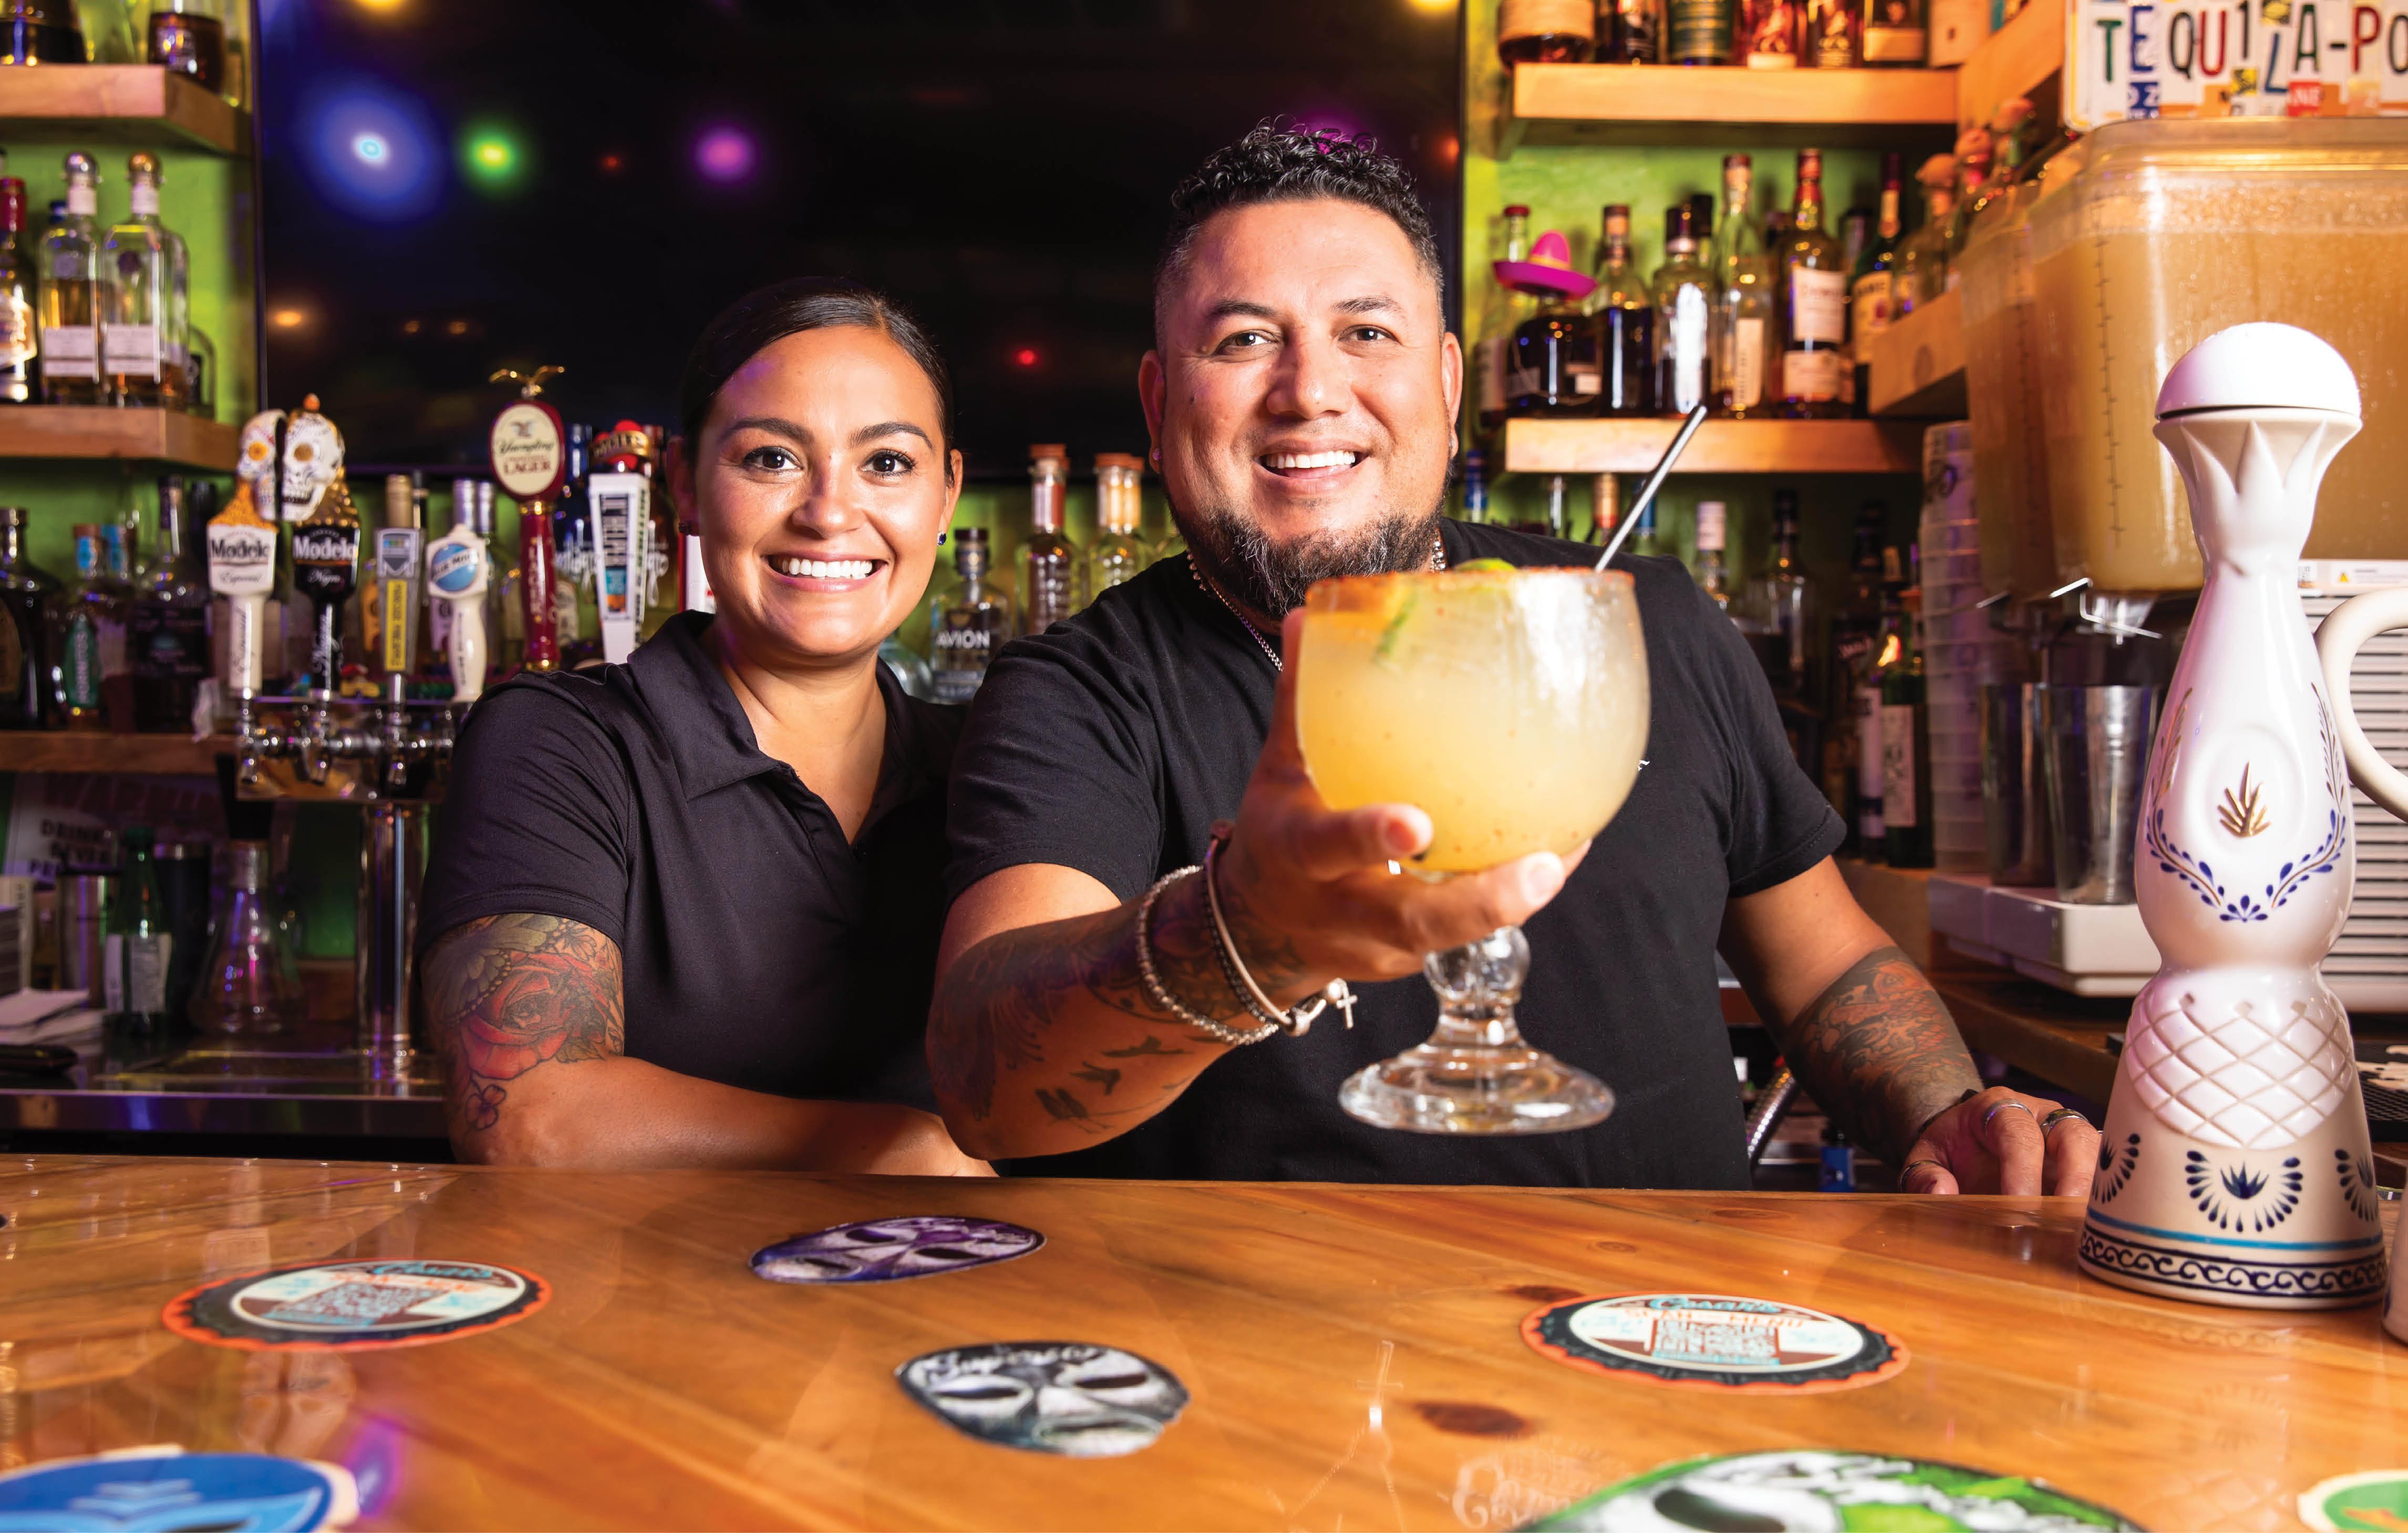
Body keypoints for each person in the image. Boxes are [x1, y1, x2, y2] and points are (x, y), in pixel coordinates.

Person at [927, 124, 2101, 1196]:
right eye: (1244, 341)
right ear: (1157, 404)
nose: (1311, 390)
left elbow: (1831, 964)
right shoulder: (1083, 691)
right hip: (1272, 1344)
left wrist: (1946, 1112)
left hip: (1671, 1327)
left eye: (1365, 333)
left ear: (1446, 384)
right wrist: (1242, 937)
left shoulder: (1637, 621)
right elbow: (987, 1083)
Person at [418, 277, 986, 1174]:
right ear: (683, 483)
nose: (830, 512)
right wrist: (891, 1149)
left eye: (886, 463)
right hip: (646, 1276)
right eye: (772, 458)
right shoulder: (563, 744)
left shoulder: (991, 768)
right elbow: (527, 1117)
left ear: (947, 495)